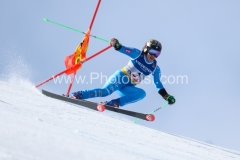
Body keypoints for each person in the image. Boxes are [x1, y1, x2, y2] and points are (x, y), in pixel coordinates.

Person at [69, 38, 176, 107]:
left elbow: (158, 84)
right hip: (120, 78)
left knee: (141, 93)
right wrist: (116, 44)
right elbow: (123, 49)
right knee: (105, 92)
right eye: (152, 52)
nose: (153, 55)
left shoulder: (155, 68)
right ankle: (78, 94)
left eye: (157, 53)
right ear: (146, 49)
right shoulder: (138, 54)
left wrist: (166, 96)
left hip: (128, 86)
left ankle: (114, 103)